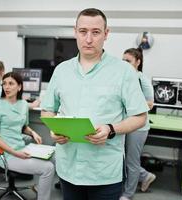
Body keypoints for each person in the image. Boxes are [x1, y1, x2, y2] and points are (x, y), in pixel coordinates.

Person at [41, 8, 149, 200]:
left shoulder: (124, 71)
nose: (88, 39)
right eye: (83, 32)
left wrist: (110, 129)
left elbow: (140, 117)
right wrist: (53, 130)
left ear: (106, 34)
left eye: (96, 32)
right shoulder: (61, 71)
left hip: (104, 172)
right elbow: (48, 110)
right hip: (68, 168)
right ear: (75, 32)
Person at [0, 72, 55, 200]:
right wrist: (15, 153)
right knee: (48, 168)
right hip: (6, 154)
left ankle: (41, 189)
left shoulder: (23, 104)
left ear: (19, 87)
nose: (6, 87)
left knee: (54, 156)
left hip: (21, 148)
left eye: (11, 84)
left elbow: (23, 126)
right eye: (4, 84)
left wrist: (33, 132)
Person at [120, 48, 156, 200]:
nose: (124, 64)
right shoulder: (123, 78)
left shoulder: (143, 80)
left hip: (139, 127)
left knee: (131, 161)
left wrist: (135, 104)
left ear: (138, 62)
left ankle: (128, 195)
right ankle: (146, 175)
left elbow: (150, 104)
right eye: (123, 61)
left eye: (128, 61)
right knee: (122, 158)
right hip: (124, 124)